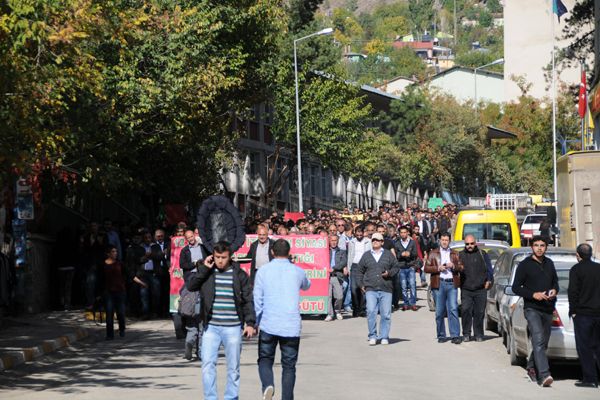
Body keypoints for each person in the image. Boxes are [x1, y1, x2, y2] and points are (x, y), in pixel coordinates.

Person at [186, 241, 256, 400]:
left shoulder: (239, 274)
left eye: (223, 257)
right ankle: (210, 398)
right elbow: (191, 286)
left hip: (233, 328)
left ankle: (231, 397)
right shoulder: (208, 273)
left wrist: (250, 323)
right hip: (211, 327)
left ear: (230, 257)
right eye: (217, 257)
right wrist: (204, 268)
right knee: (207, 365)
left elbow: (248, 300)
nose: (220, 261)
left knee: (233, 368)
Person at [254, 239, 311, 400]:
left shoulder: (263, 271)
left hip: (268, 322)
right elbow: (307, 285)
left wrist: (256, 320)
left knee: (265, 359)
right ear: (289, 253)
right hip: (290, 326)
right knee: (289, 366)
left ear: (272, 252)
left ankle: (268, 385)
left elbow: (257, 298)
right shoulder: (297, 271)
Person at [512, 236, 559, 387]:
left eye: (542, 245)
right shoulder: (524, 265)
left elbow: (556, 283)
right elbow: (516, 287)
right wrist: (533, 294)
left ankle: (531, 367)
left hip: (548, 308)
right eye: (536, 245)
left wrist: (554, 291)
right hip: (532, 308)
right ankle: (544, 375)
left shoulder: (550, 263)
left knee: (543, 343)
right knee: (538, 339)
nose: (539, 248)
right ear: (531, 247)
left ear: (546, 247)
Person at [356, 233, 400, 345]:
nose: (375, 241)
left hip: (386, 288)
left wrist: (389, 273)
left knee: (385, 314)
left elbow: (396, 267)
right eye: (373, 240)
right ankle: (372, 335)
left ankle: (384, 336)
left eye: (377, 240)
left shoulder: (388, 254)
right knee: (371, 311)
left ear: (382, 242)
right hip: (370, 288)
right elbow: (359, 270)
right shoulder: (366, 255)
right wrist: (360, 284)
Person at [568, 243, 600, 388]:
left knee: (585, 347)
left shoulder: (576, 270)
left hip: (583, 314)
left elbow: (573, 292)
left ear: (578, 255)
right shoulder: (598, 268)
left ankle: (590, 378)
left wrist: (573, 311)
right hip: (598, 313)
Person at [424, 232, 463, 344]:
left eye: (446, 240)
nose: (445, 242)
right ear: (439, 241)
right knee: (440, 311)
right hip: (439, 284)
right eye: (443, 240)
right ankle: (441, 335)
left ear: (449, 241)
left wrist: (454, 266)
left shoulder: (455, 254)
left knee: (453, 309)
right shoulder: (433, 253)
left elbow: (461, 267)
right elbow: (426, 268)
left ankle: (455, 335)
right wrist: (438, 268)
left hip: (451, 284)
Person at [458, 234, 493, 342]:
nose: (469, 246)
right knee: (465, 311)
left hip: (480, 289)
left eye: (472, 243)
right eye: (467, 244)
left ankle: (478, 334)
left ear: (475, 243)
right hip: (466, 288)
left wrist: (489, 280)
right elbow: (456, 270)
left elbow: (489, 269)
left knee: (479, 312)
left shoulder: (482, 254)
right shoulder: (460, 255)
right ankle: (466, 334)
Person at [102, 245, 126, 340]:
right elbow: (100, 279)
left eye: (116, 251)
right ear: (108, 253)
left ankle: (122, 328)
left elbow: (129, 274)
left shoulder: (120, 264)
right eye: (113, 251)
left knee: (120, 313)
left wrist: (141, 283)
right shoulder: (103, 265)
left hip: (120, 291)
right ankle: (109, 334)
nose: (115, 253)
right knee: (109, 313)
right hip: (108, 292)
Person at [347, 226, 371, 317]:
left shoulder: (368, 241)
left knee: (363, 288)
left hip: (365, 267)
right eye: (357, 233)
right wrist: (349, 268)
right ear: (355, 233)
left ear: (363, 233)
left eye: (361, 232)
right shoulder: (351, 242)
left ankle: (362, 309)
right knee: (353, 288)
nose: (359, 234)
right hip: (354, 265)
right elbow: (349, 255)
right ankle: (356, 308)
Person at [394, 226, 418, 311]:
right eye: (401, 232)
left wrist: (410, 254)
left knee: (412, 285)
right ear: (399, 233)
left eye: (405, 232)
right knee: (403, 286)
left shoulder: (412, 242)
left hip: (410, 266)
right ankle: (405, 303)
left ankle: (413, 303)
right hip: (401, 267)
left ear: (407, 232)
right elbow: (395, 255)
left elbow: (416, 254)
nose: (403, 234)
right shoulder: (396, 243)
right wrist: (401, 254)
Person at [325, 235, 347, 321]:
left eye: (335, 240)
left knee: (339, 296)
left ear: (338, 241)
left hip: (337, 275)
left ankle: (337, 311)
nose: (333, 242)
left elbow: (343, 262)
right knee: (328, 296)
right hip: (327, 276)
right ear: (329, 241)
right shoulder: (325, 251)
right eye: (332, 240)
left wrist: (334, 268)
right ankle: (330, 314)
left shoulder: (342, 251)